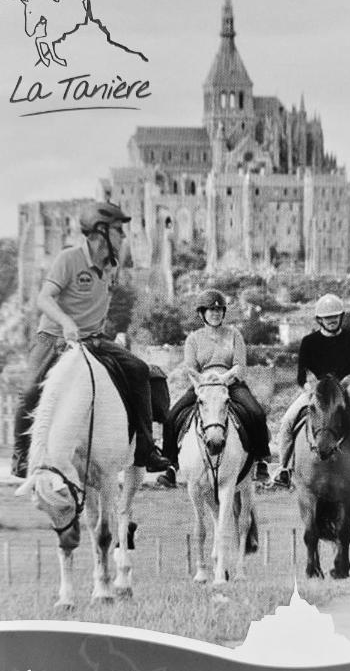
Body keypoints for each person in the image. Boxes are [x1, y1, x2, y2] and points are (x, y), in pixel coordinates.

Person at [11, 201, 170, 478]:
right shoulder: (69, 259)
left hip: (93, 339)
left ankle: (146, 449)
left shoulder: (111, 267)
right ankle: (22, 458)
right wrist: (66, 322)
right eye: (118, 230)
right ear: (100, 233)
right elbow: (43, 299)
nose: (123, 236)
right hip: (53, 337)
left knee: (140, 371)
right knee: (29, 391)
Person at [157, 288, 271, 488]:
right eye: (211, 310)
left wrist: (224, 379)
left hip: (231, 384)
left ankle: (261, 460)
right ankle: (170, 465)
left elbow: (239, 366)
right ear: (202, 314)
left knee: (256, 413)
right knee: (172, 417)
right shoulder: (193, 338)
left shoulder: (234, 334)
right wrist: (202, 386)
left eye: (219, 311)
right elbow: (191, 369)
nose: (216, 314)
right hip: (203, 386)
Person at [273, 293, 350, 492]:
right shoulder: (309, 342)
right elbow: (302, 375)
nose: (332, 321)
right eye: (327, 318)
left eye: (335, 317)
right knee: (287, 422)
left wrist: (345, 394)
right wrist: (312, 393)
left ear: (341, 317)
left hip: (346, 392)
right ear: (319, 319)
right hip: (315, 394)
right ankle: (283, 469)